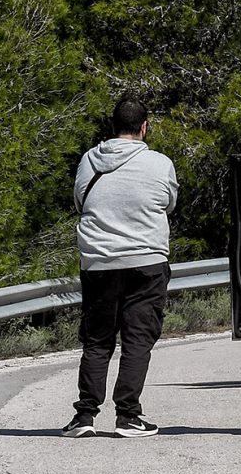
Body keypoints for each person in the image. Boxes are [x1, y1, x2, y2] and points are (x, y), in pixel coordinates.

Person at [61, 98, 178, 438]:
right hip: (146, 262)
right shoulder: (160, 163)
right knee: (138, 340)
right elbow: (169, 203)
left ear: (112, 127)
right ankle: (128, 415)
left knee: (97, 341)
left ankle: (84, 416)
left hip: (98, 262)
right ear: (145, 126)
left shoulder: (88, 161)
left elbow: (80, 202)